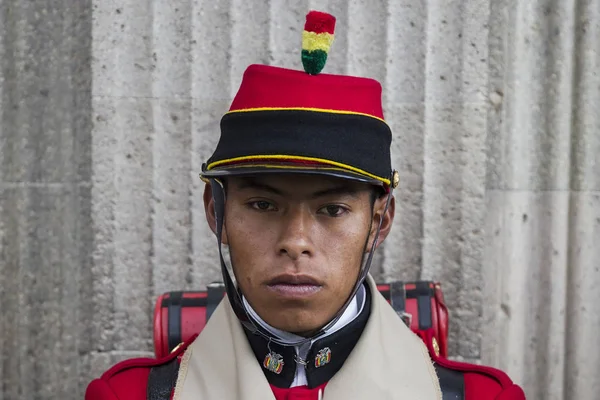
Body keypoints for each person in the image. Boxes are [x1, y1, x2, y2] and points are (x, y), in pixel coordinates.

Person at [86, 10, 526, 400]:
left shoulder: (482, 396)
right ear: (216, 212)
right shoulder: (126, 395)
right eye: (262, 204)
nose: (295, 242)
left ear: (380, 221)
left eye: (332, 210)